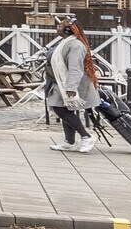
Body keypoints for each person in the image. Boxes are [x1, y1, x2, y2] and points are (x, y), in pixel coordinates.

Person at [42, 15, 100, 153]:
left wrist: (71, 88)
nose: (58, 27)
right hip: (59, 81)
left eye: (60, 26)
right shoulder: (64, 42)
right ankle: (70, 141)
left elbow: (75, 68)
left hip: (69, 83)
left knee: (60, 109)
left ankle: (86, 136)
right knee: (65, 110)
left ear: (68, 30)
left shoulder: (76, 45)